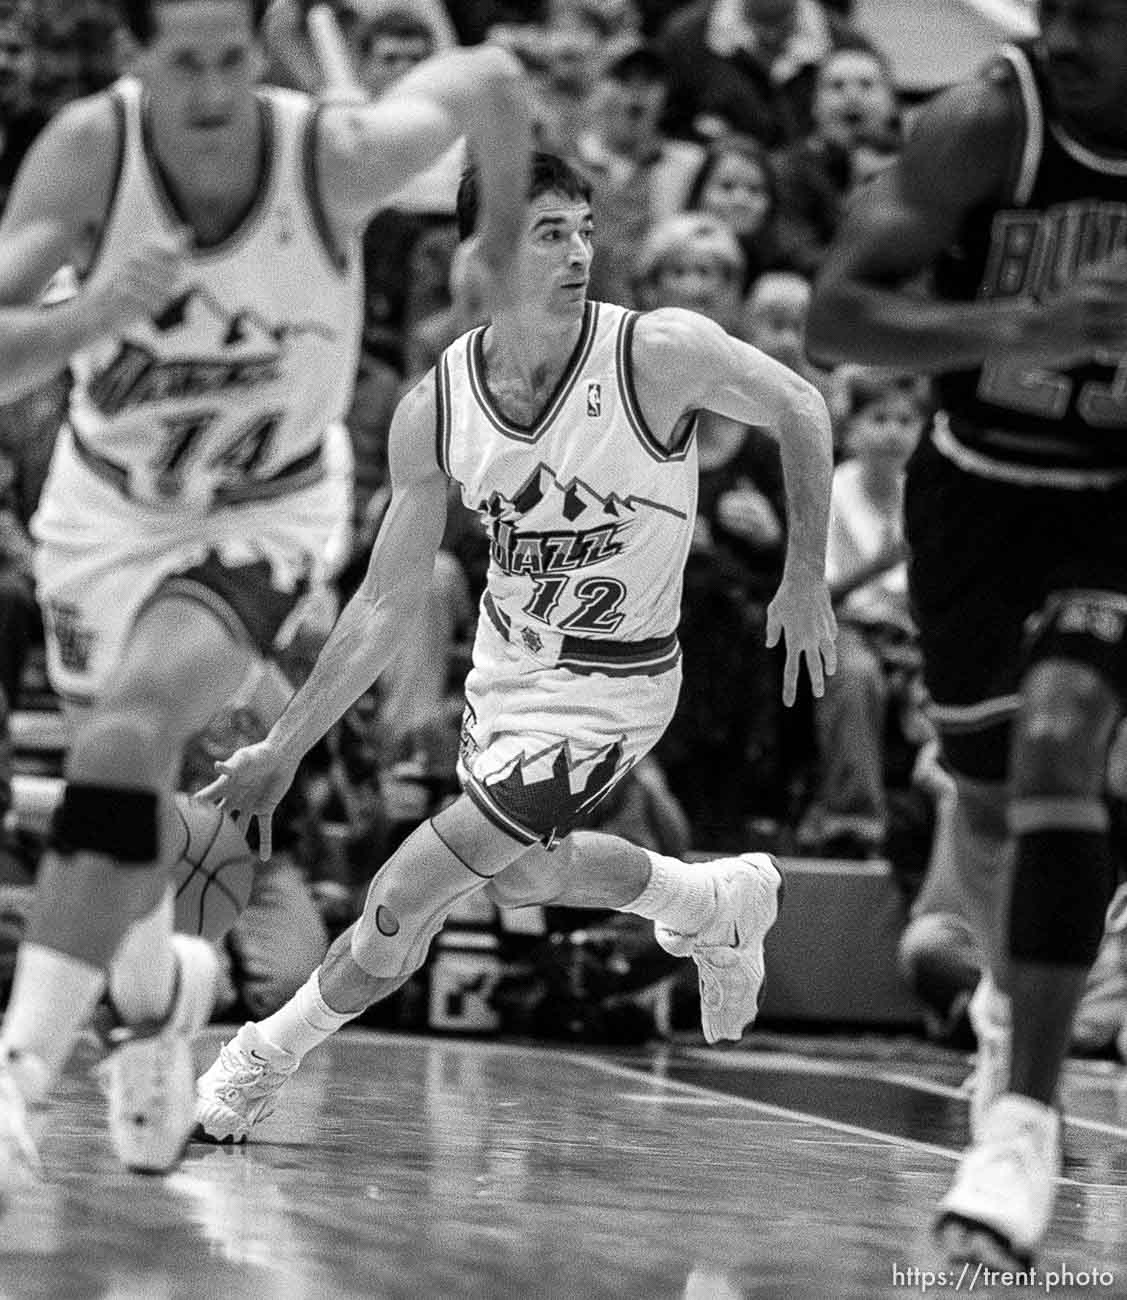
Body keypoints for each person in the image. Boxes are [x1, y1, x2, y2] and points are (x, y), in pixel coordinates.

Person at [192, 151, 837, 1144]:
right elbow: (380, 604)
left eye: (583, 228)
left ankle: (260, 1056)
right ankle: (709, 898)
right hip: (508, 679)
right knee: (524, 875)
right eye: (549, 232)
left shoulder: (654, 351)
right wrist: (284, 744)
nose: (578, 252)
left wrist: (803, 575)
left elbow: (800, 404)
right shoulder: (436, 407)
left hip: (616, 680)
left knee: (406, 897)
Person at [0, 0, 532, 1186]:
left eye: (231, 58)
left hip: (263, 510)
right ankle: (156, 1002)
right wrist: (88, 314)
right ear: (136, 59)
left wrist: (493, 244)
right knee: (117, 769)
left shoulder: (327, 158)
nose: (208, 88)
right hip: (105, 508)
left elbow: (491, 79)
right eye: (180, 61)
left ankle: (17, 1079)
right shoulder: (91, 149)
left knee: (134, 727)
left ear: (261, 51)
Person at [806, 0, 1127, 1269]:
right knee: (993, 802)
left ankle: (1020, 1126)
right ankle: (1015, 1008)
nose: (1066, 36)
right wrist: (1020, 328)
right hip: (978, 495)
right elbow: (833, 317)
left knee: (1062, 740)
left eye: (1097, 19)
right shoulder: (989, 119)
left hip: (1114, 504)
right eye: (1054, 12)